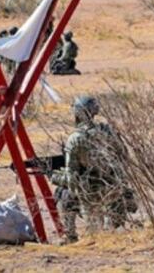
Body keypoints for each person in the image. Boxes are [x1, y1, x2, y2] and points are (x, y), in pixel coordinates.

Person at [53, 96, 134, 243]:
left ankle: (70, 235)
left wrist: (56, 176)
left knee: (62, 193)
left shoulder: (75, 139)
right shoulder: (109, 132)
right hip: (113, 185)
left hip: (90, 191)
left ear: (78, 113)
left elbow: (72, 174)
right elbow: (123, 155)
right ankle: (115, 227)